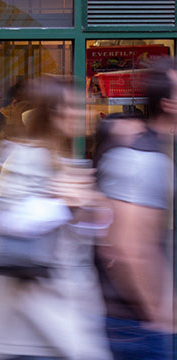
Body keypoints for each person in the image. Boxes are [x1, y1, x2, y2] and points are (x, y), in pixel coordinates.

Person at [0, 77, 112, 360]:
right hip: (31, 318)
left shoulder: (66, 161)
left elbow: (89, 226)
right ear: (54, 112)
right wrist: (63, 203)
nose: (87, 113)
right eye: (78, 106)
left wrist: (92, 207)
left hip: (64, 308)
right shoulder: (23, 156)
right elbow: (5, 220)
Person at [94, 59, 176, 359]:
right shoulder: (143, 156)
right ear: (168, 103)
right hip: (142, 327)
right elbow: (128, 248)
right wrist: (160, 315)